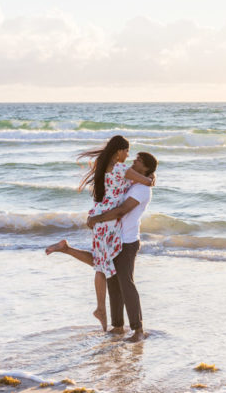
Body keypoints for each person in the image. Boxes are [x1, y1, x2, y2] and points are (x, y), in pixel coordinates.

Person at [46, 136, 153, 332]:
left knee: (105, 266)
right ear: (119, 150)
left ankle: (128, 325)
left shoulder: (112, 169)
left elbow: (122, 207)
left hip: (108, 223)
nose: (130, 157)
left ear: (145, 167)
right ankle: (113, 320)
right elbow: (140, 185)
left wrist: (96, 219)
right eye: (128, 152)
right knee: (104, 267)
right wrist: (150, 179)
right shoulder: (125, 172)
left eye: (136, 159)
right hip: (109, 224)